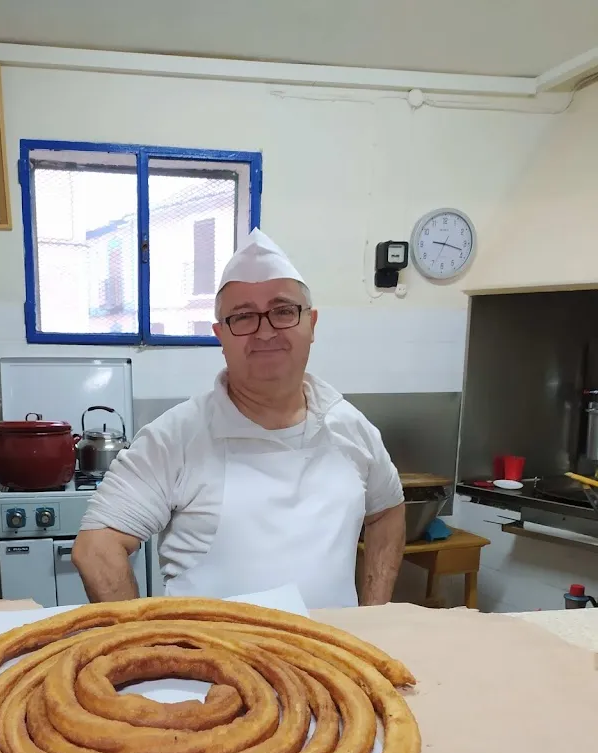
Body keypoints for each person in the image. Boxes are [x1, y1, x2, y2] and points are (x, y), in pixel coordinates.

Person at [72, 228, 405, 608]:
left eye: (283, 311)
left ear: (311, 323)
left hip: (331, 661)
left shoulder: (350, 426)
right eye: (243, 317)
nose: (265, 332)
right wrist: (138, 642)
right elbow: (97, 548)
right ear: (220, 334)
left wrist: (374, 617)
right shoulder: (176, 437)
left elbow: (388, 511)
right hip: (209, 663)